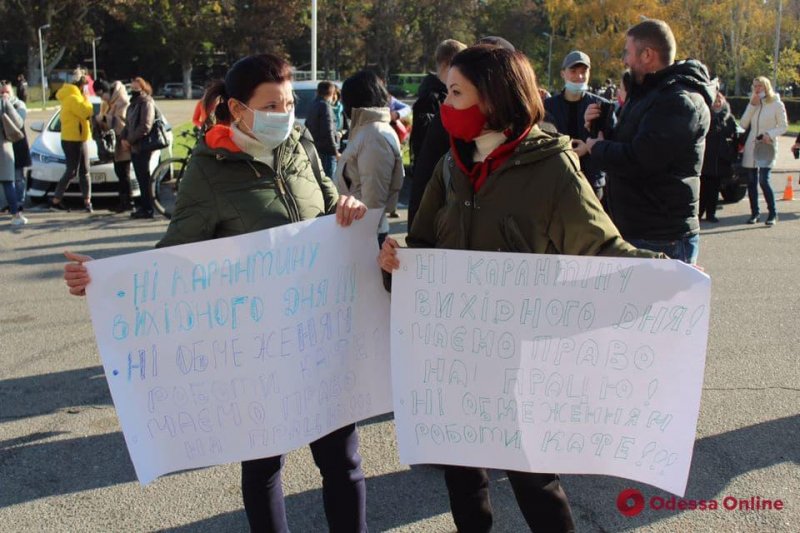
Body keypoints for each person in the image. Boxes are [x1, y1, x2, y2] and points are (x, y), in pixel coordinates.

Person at [63, 53, 369, 533]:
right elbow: (174, 256)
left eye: (288, 102)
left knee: (343, 461)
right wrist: (107, 282)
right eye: (271, 104)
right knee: (264, 465)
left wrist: (347, 207)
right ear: (238, 108)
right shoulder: (208, 170)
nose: (284, 113)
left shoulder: (300, 144)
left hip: (318, 339)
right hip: (257, 348)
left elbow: (330, 205)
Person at [378, 44, 662, 533]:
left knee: (534, 478)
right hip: (457, 357)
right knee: (464, 479)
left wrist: (668, 277)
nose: (446, 105)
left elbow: (602, 250)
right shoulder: (451, 167)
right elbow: (422, 249)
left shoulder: (552, 169)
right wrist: (394, 264)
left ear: (493, 98)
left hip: (522, 361)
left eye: (457, 93)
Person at [585, 19, 714, 264]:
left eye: (627, 52)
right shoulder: (649, 93)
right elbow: (630, 141)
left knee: (656, 304)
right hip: (638, 229)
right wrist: (600, 125)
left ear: (647, 54)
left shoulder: (679, 101)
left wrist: (597, 148)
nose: (624, 60)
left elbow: (641, 159)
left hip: (661, 237)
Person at [335, 69, 404, 247]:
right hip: (360, 228)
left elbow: (374, 198)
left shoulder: (374, 134)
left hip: (367, 233)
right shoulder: (367, 130)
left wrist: (365, 237)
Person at [544, 50, 615, 200]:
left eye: (584, 72)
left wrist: (589, 148)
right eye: (574, 71)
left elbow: (613, 142)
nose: (579, 77)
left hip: (592, 183)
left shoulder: (602, 106)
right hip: (558, 181)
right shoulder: (548, 106)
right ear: (563, 73)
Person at [739, 76, 788, 226]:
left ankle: (772, 213)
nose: (757, 89)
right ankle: (755, 213)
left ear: (766, 86)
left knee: (763, 180)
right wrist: (752, 106)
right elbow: (743, 124)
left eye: (760, 86)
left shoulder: (776, 104)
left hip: (767, 145)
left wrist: (769, 134)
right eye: (755, 86)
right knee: (751, 181)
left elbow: (783, 126)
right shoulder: (754, 103)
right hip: (752, 145)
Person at [51, 68, 94, 213]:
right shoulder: (74, 98)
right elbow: (86, 112)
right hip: (75, 139)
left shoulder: (69, 96)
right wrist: (87, 98)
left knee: (78, 170)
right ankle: (58, 200)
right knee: (78, 170)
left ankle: (84, 200)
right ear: (81, 86)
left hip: (74, 138)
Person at [120, 77, 157, 219]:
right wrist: (124, 138)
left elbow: (145, 126)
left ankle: (148, 209)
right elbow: (128, 124)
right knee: (141, 178)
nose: (134, 91)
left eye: (137, 89)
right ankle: (143, 206)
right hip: (134, 146)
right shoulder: (133, 104)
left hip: (143, 146)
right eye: (132, 88)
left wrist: (129, 140)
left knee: (144, 178)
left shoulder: (146, 102)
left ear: (143, 88)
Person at [94, 79, 133, 212]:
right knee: (120, 172)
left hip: (124, 141)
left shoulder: (121, 100)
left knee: (124, 172)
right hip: (118, 142)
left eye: (101, 95)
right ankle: (124, 201)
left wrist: (104, 118)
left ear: (105, 91)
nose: (102, 99)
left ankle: (128, 202)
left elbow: (122, 122)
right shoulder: (110, 102)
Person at [699, 88, 738, 223]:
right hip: (706, 158)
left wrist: (731, 154)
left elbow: (735, 138)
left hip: (720, 160)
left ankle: (711, 214)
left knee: (714, 189)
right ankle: (699, 213)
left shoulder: (729, 119)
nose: (717, 103)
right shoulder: (705, 116)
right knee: (702, 188)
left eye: (719, 100)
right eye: (715, 101)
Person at [0, 81, 28, 225]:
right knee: (8, 183)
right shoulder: (4, 104)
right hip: (4, 148)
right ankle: (15, 215)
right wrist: (7, 104)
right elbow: (18, 123)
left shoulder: (19, 104)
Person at [305, 80, 340, 178]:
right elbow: (328, 131)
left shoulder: (313, 104)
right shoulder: (325, 106)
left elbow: (307, 125)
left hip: (316, 148)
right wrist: (335, 151)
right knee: (329, 180)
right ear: (332, 93)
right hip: (327, 152)